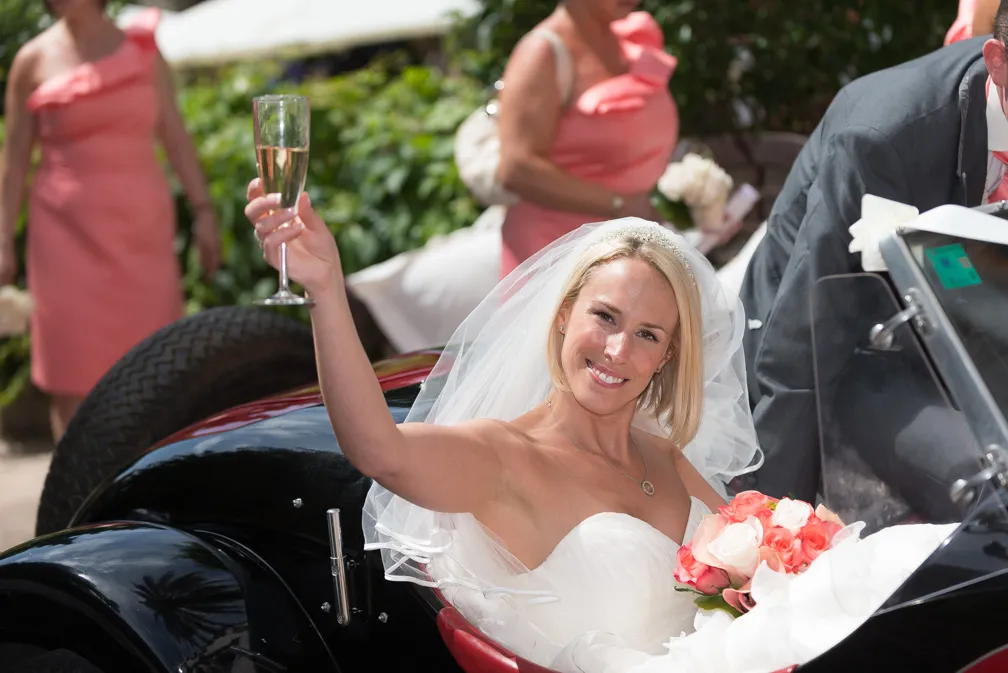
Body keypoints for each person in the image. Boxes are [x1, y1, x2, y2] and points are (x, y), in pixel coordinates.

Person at [245, 181, 958, 673]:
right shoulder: (502, 455)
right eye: (605, 318)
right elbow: (380, 448)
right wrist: (326, 291)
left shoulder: (666, 456)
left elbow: (759, 581)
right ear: (564, 316)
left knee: (918, 573)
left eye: (648, 334)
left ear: (667, 357)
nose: (619, 350)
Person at [737, 5, 1008, 508]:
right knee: (990, 485)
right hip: (858, 349)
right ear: (998, 62)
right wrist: (764, 520)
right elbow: (805, 334)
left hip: (979, 337)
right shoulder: (883, 136)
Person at [0, 1, 220, 442]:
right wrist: (3, 238)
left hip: (143, 235)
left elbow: (174, 134)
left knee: (154, 367)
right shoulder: (32, 60)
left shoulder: (141, 47)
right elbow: (14, 160)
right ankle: (77, 499)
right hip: (64, 238)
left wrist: (203, 212)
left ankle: (153, 486)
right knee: (72, 372)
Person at [494, 1, 678, 276]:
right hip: (557, 255)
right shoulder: (542, 52)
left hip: (626, 246)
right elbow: (517, 168)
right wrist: (622, 204)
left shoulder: (631, 38)